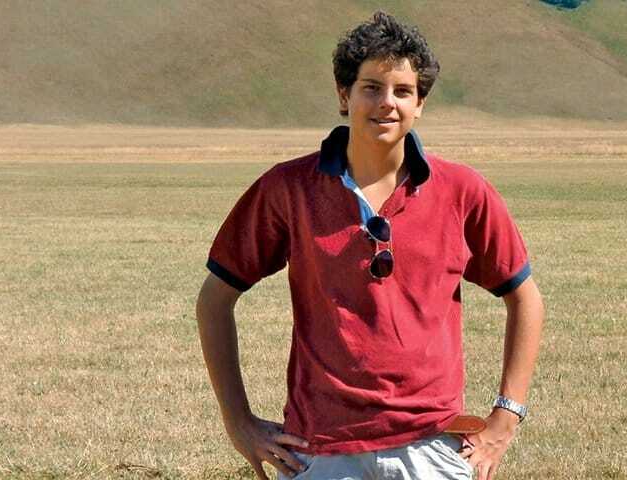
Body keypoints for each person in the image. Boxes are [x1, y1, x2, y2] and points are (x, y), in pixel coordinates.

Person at [196, 11, 544, 480]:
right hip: (320, 449)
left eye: (403, 91)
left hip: (432, 448)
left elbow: (525, 297)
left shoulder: (463, 191)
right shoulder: (288, 189)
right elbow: (214, 299)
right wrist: (238, 422)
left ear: (420, 103)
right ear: (344, 95)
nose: (387, 103)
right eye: (371, 88)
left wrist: (506, 417)